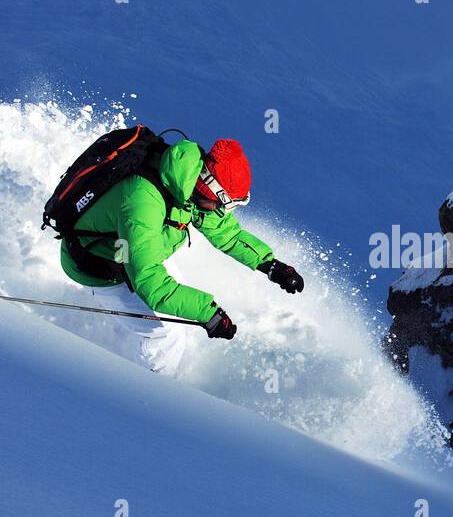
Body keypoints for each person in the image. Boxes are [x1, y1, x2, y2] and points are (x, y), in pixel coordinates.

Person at [59, 136, 304, 377]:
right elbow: (149, 283)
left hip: (136, 251)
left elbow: (225, 232)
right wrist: (208, 313)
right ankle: (148, 398)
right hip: (100, 267)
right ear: (209, 187)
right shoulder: (141, 203)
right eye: (225, 203)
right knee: (167, 334)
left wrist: (271, 265)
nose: (223, 211)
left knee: (176, 312)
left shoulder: (187, 179)